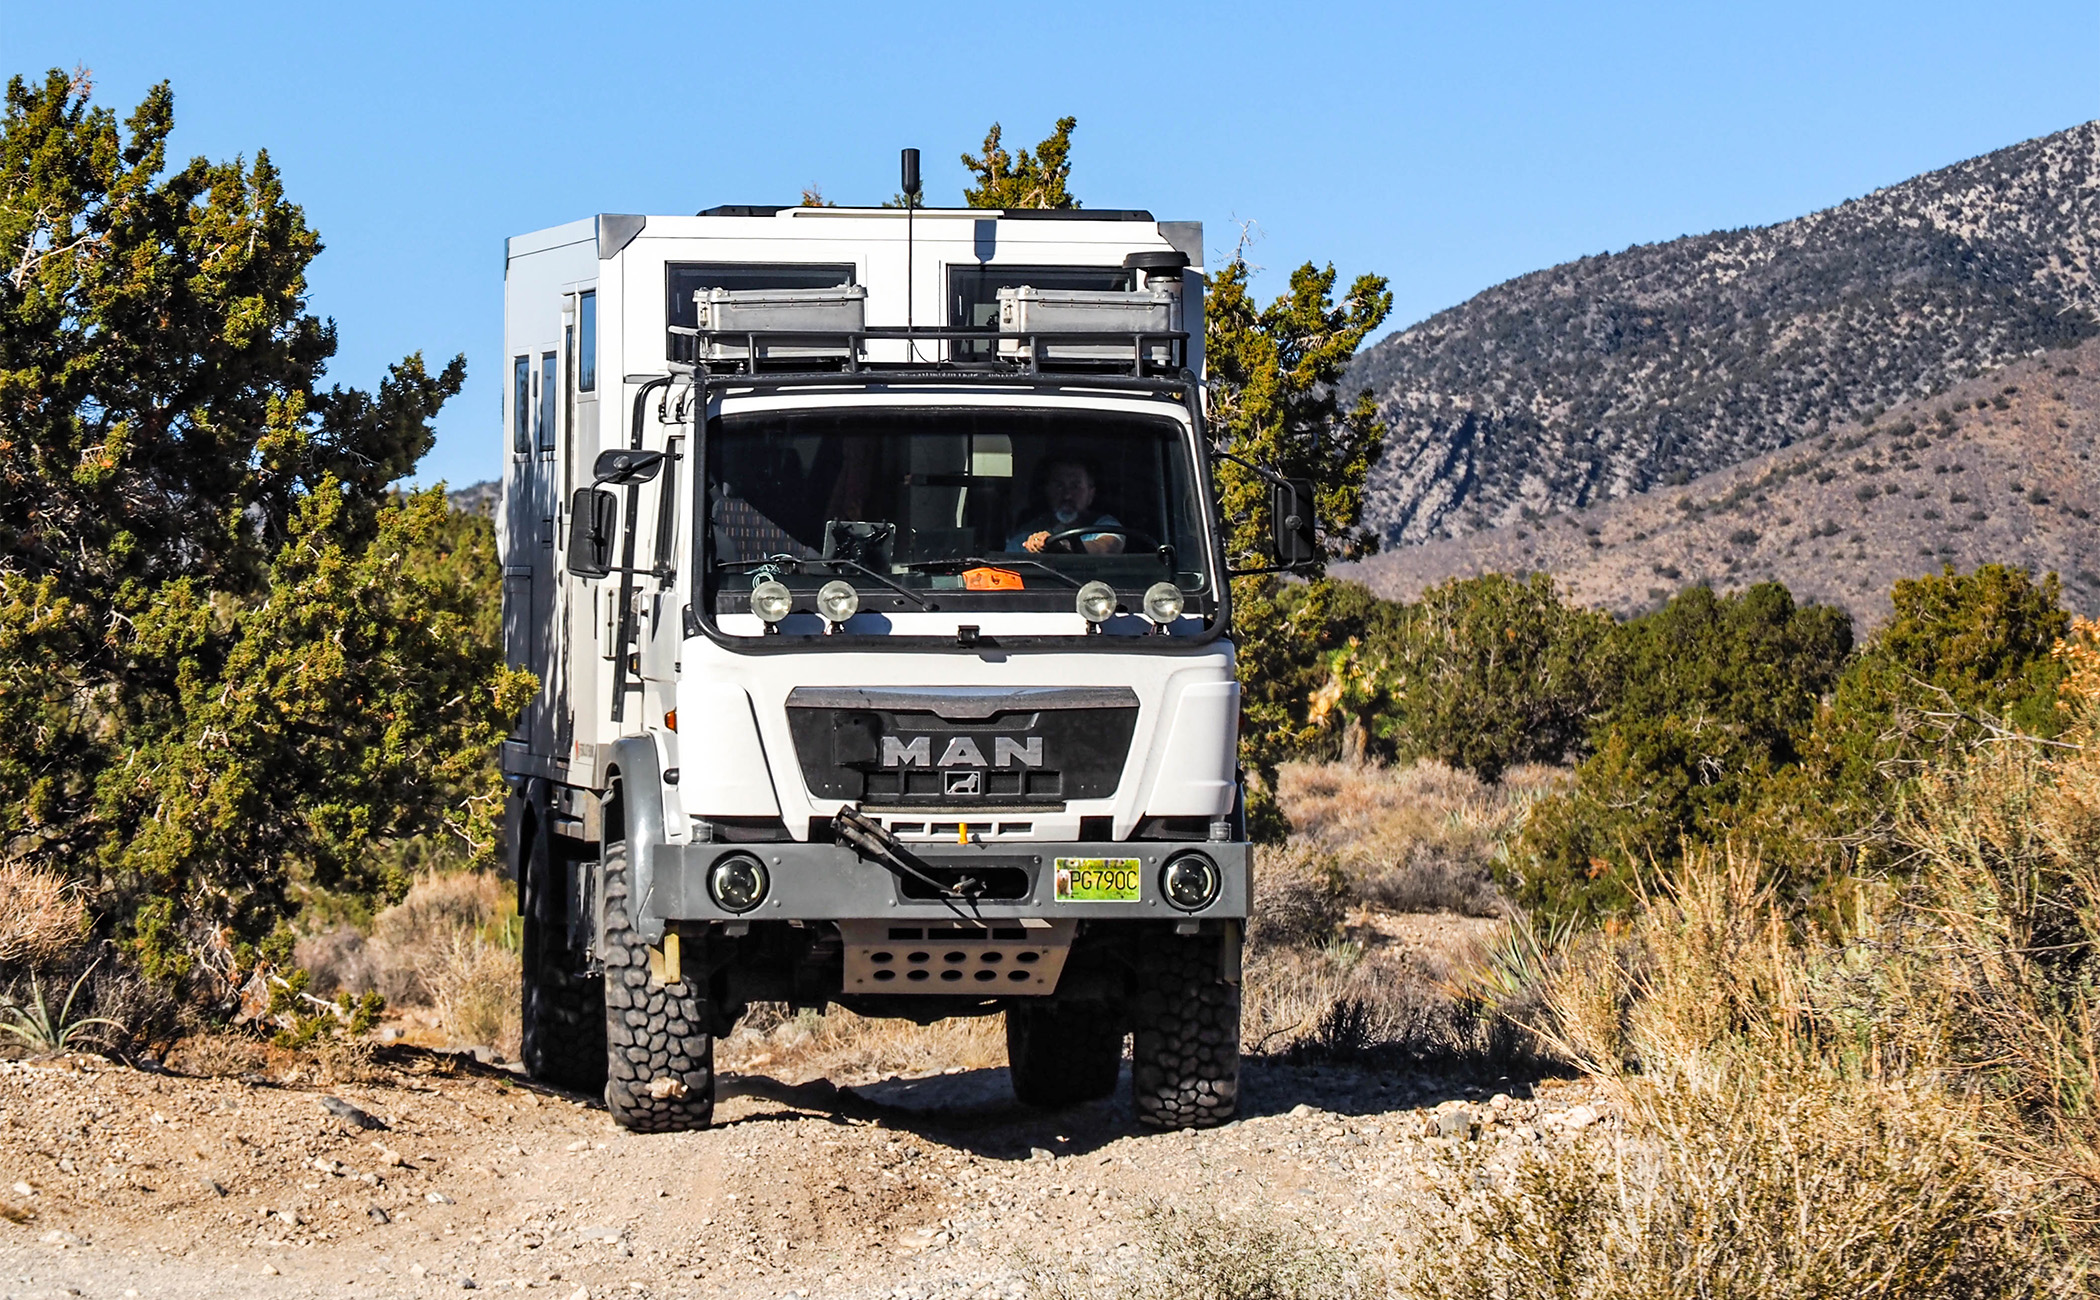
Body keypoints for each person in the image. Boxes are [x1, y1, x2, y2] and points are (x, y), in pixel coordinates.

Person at [1006, 458, 1125, 555]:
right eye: (1059, 485)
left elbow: (1107, 547)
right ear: (1047, 491)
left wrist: (1063, 545)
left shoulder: (1105, 525)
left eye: (1075, 486)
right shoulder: (1025, 535)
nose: (1067, 495)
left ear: (1090, 494)